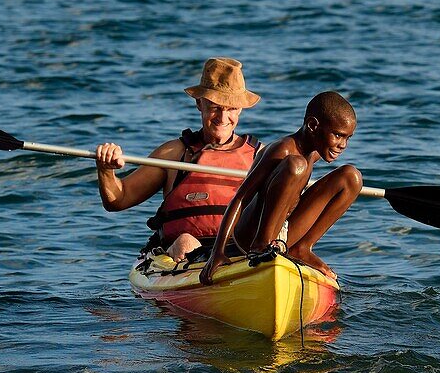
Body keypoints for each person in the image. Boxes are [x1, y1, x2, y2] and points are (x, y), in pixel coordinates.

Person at [95, 57, 262, 261]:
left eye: (232, 109)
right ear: (199, 104)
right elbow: (118, 200)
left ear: (241, 109)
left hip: (240, 253)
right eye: (215, 107)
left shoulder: (259, 155)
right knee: (186, 242)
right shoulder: (174, 154)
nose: (223, 117)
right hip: (186, 256)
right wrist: (106, 170)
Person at [199, 91, 363, 285]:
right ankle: (261, 246)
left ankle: (302, 248)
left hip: (283, 233)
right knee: (297, 165)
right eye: (337, 135)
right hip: (251, 235)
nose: (342, 145)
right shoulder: (283, 149)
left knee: (352, 177)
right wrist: (218, 252)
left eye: (347, 138)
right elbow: (240, 198)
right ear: (312, 126)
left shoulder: (314, 151)